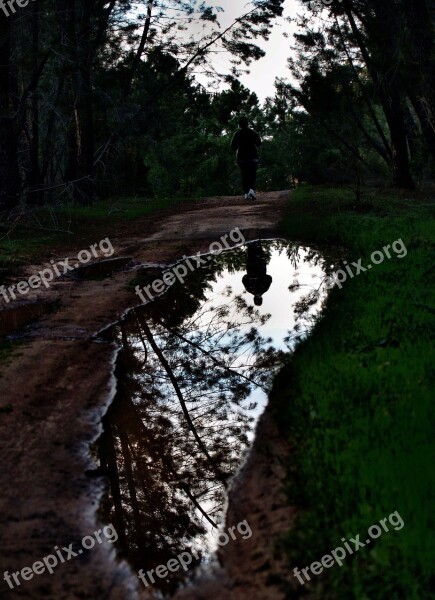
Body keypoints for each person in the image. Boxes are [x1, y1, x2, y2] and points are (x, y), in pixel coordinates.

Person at [231, 116, 261, 201]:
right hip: (252, 157)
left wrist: (238, 147)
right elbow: (259, 142)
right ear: (247, 124)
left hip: (242, 158)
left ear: (239, 125)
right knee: (252, 174)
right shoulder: (252, 132)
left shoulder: (237, 134)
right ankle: (252, 190)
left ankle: (246, 192)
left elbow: (232, 146)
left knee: (244, 174)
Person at [242, 241, 272, 306]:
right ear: (254, 299)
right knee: (251, 249)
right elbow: (244, 278)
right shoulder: (249, 289)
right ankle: (250, 235)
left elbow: (269, 278)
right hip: (251, 267)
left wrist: (262, 276)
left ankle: (256, 235)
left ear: (261, 298)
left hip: (261, 266)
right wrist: (250, 276)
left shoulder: (264, 289)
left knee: (258, 248)